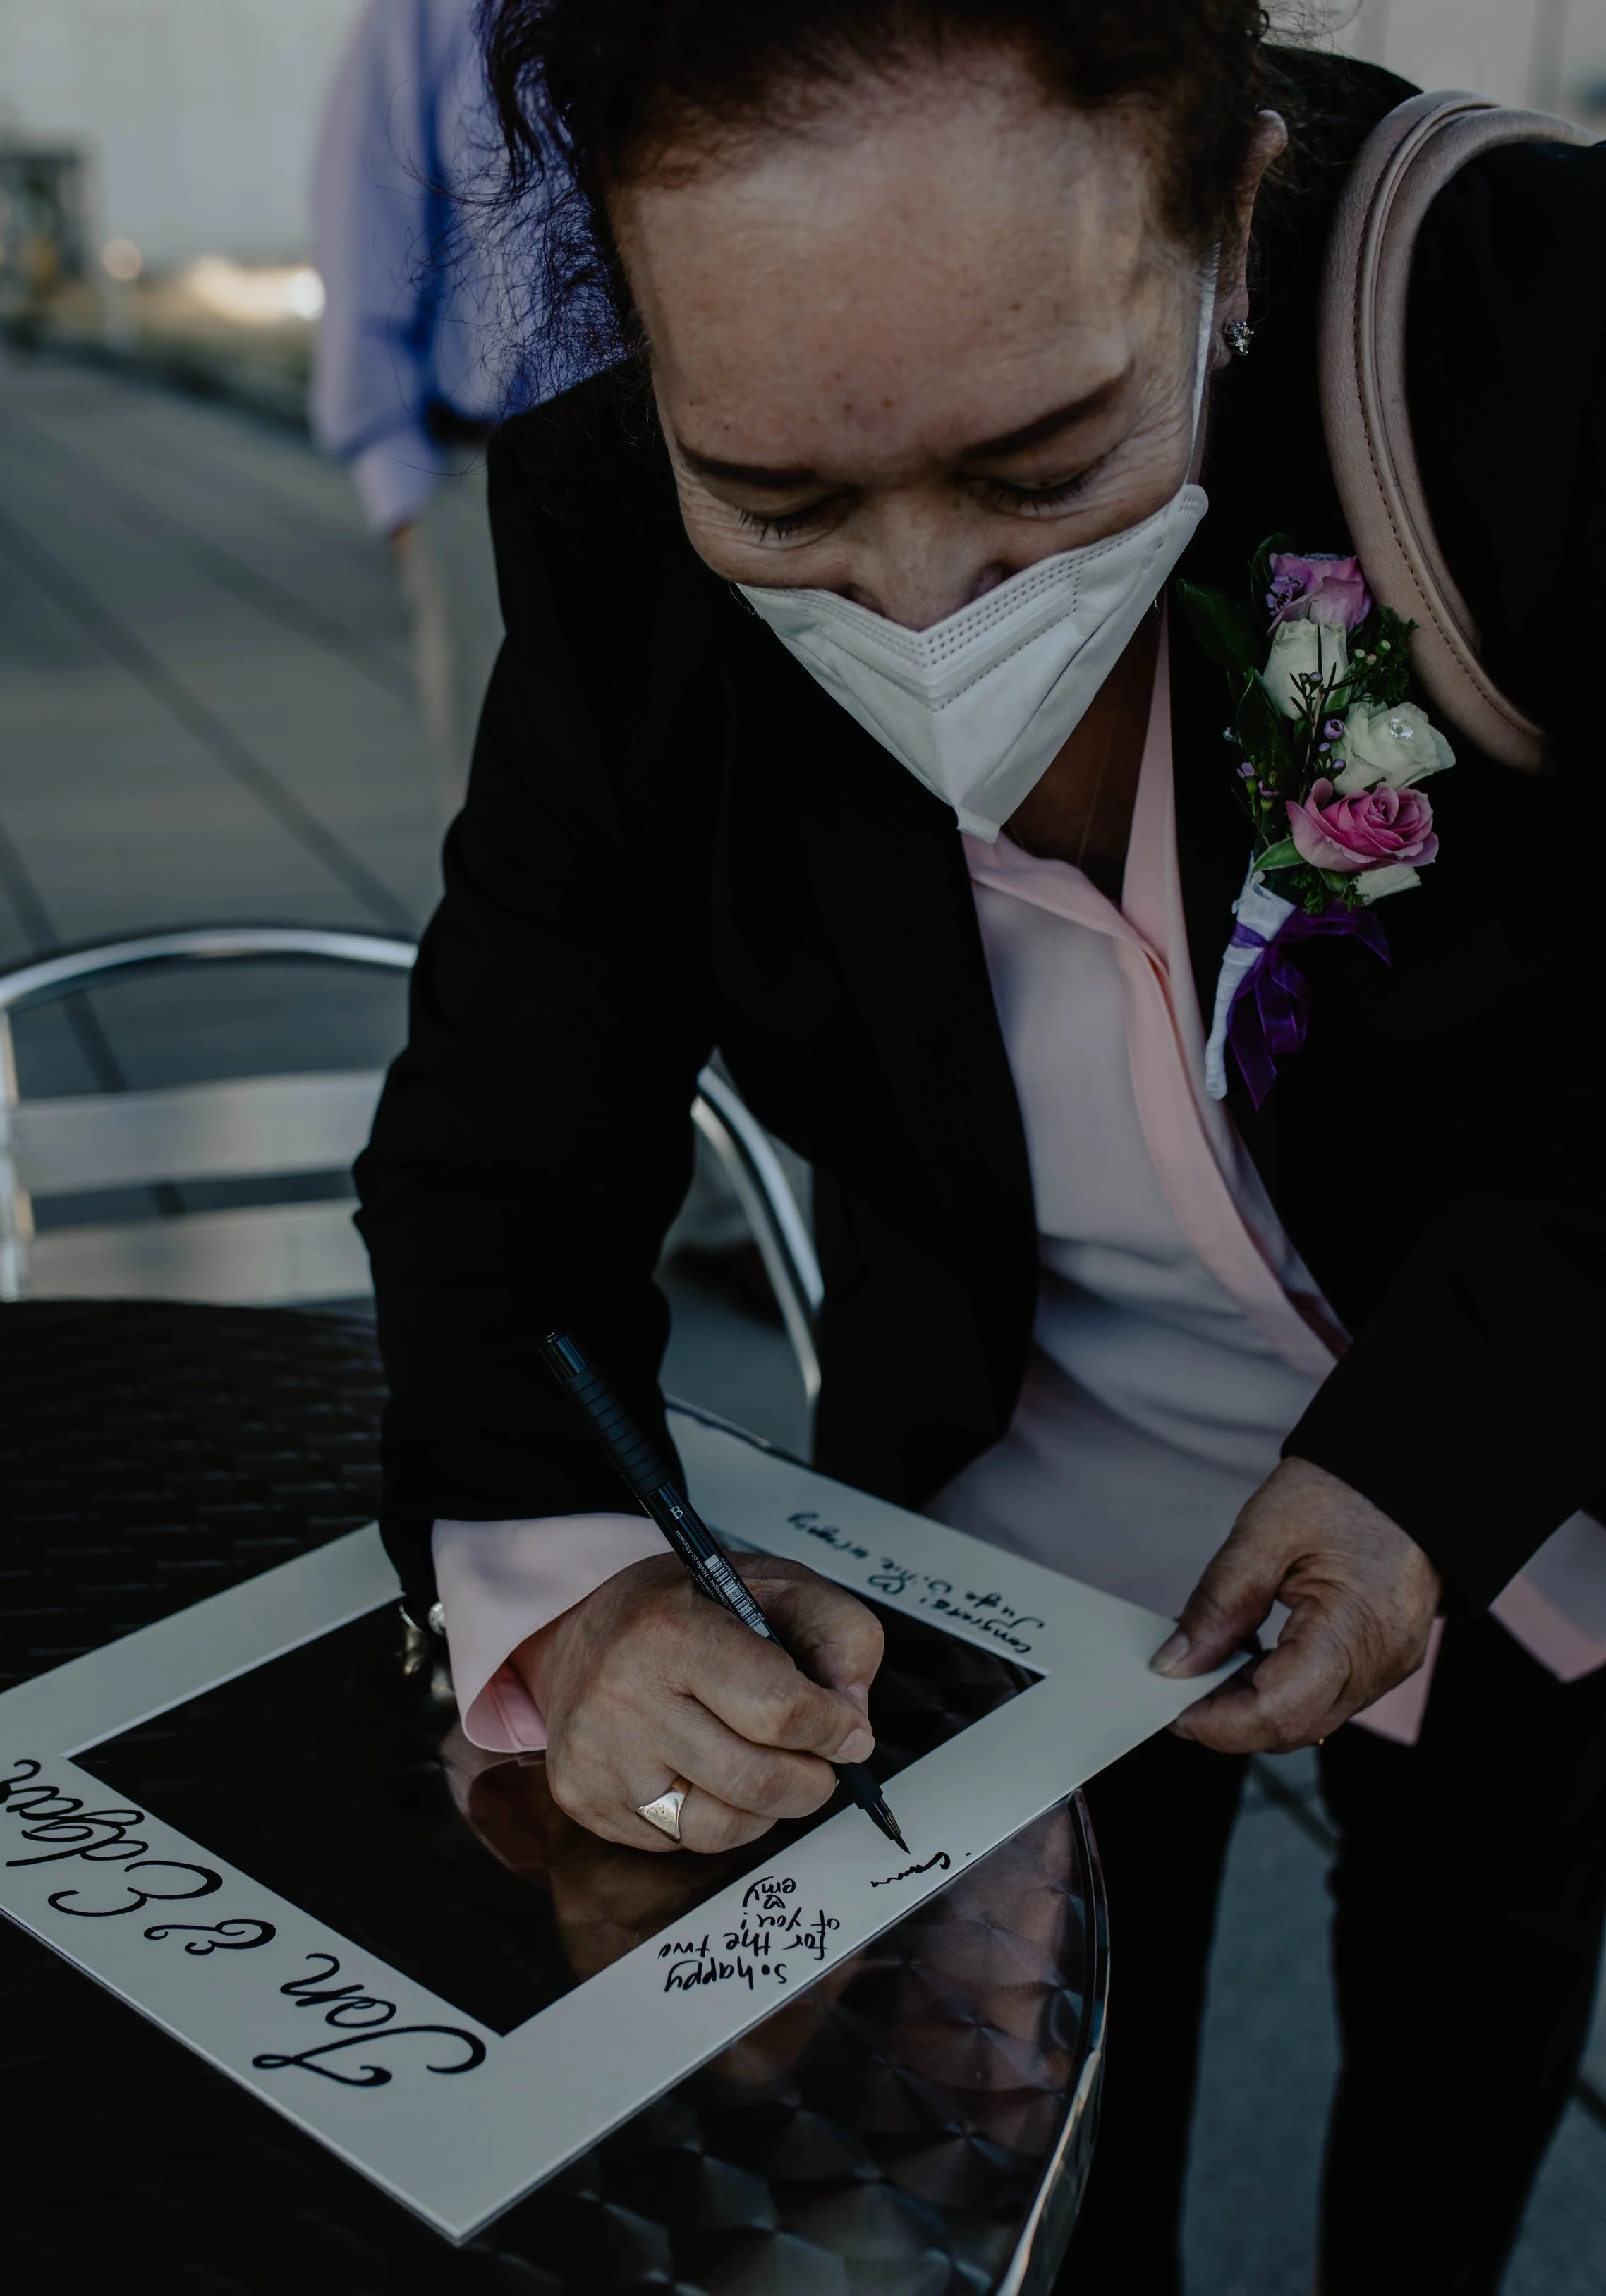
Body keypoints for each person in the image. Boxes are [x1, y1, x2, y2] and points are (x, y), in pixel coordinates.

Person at [355, 7, 1606, 2290]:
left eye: (1042, 470)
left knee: (1489, 1946)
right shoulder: (614, 538)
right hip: (1025, 1471)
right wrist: (576, 1586)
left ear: (1230, 221)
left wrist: (1440, 1455)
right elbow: (501, 1161)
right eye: (789, 504)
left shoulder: (1531, 339)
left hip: (1539, 1419)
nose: (923, 606)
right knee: (1027, 2079)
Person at [312, 0, 538, 842]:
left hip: (730, 479)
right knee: (518, 839)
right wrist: (401, 489)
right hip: (489, 481)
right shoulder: (431, 11)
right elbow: (365, 220)